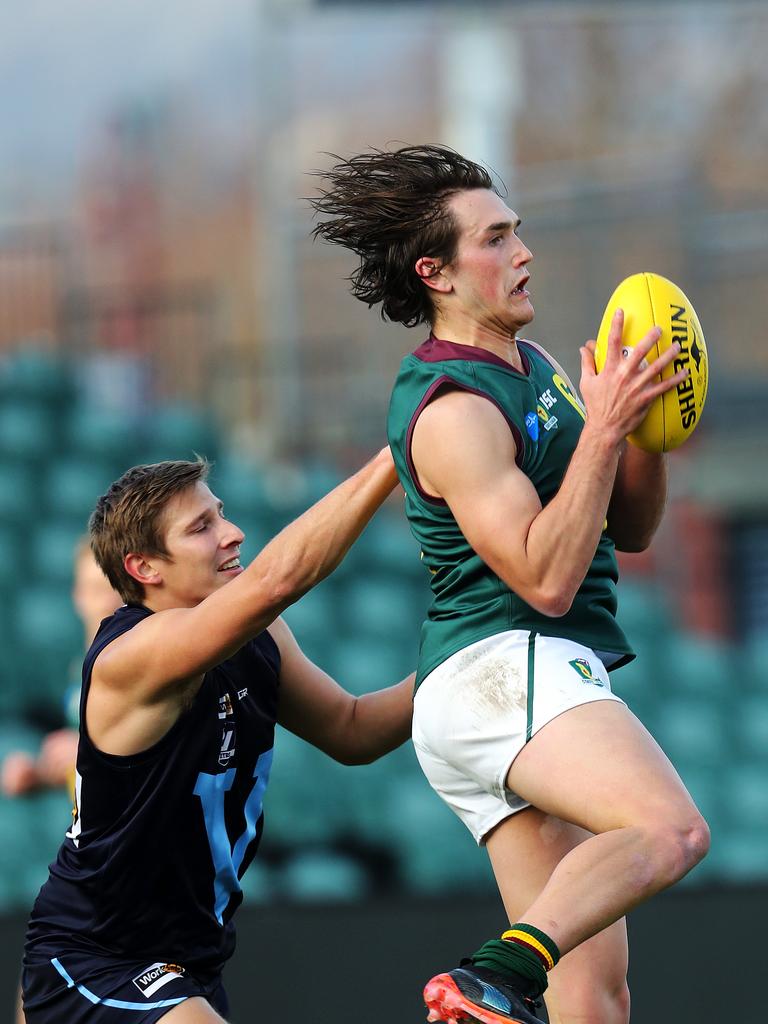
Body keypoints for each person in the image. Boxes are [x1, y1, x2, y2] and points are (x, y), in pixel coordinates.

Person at [310, 144, 710, 1024]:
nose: (522, 252)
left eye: (516, 232)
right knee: (672, 829)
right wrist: (601, 432)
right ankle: (497, 972)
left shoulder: (540, 376)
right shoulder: (454, 408)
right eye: (495, 238)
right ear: (437, 273)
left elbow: (630, 532)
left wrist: (642, 431)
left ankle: (507, 984)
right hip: (502, 672)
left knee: (596, 1000)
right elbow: (546, 578)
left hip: (510, 689)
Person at [21, 451, 413, 1024]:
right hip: (94, 956)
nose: (233, 533)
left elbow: (353, 731)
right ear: (145, 568)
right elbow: (276, 581)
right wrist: (397, 456)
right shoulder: (131, 656)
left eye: (220, 515)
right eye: (201, 527)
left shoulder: (262, 637)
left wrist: (461, 657)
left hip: (190, 965)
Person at [2, 540, 121, 800]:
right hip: (99, 829)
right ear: (77, 596)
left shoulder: (148, 665)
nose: (107, 601)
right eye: (96, 589)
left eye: (117, 587)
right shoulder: (79, 667)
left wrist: (87, 753)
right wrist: (40, 774)